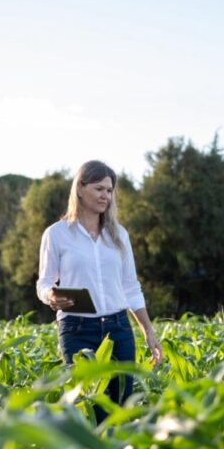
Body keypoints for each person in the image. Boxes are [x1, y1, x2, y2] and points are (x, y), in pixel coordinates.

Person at [36, 160, 162, 423]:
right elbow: (44, 282)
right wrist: (50, 296)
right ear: (80, 189)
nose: (106, 195)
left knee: (121, 409)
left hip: (119, 328)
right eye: (99, 188)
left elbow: (130, 286)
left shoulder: (118, 235)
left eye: (109, 190)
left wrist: (148, 331)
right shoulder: (56, 234)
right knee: (93, 410)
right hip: (77, 329)